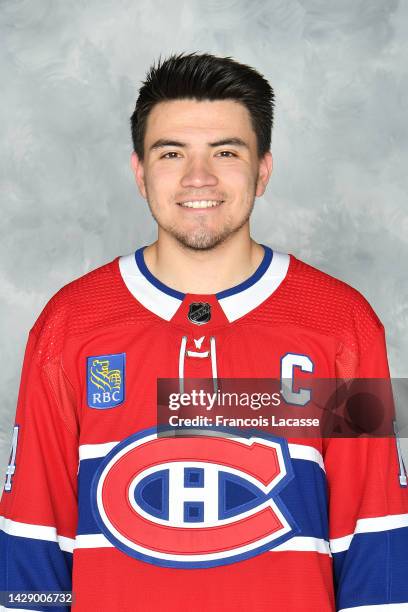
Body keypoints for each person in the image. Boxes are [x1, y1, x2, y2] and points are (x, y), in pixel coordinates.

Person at [1, 52, 407, 612]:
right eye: (173, 153)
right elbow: (34, 545)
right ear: (140, 171)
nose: (200, 178)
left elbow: (375, 542)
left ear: (263, 170)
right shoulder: (71, 325)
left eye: (226, 152)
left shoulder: (339, 323)